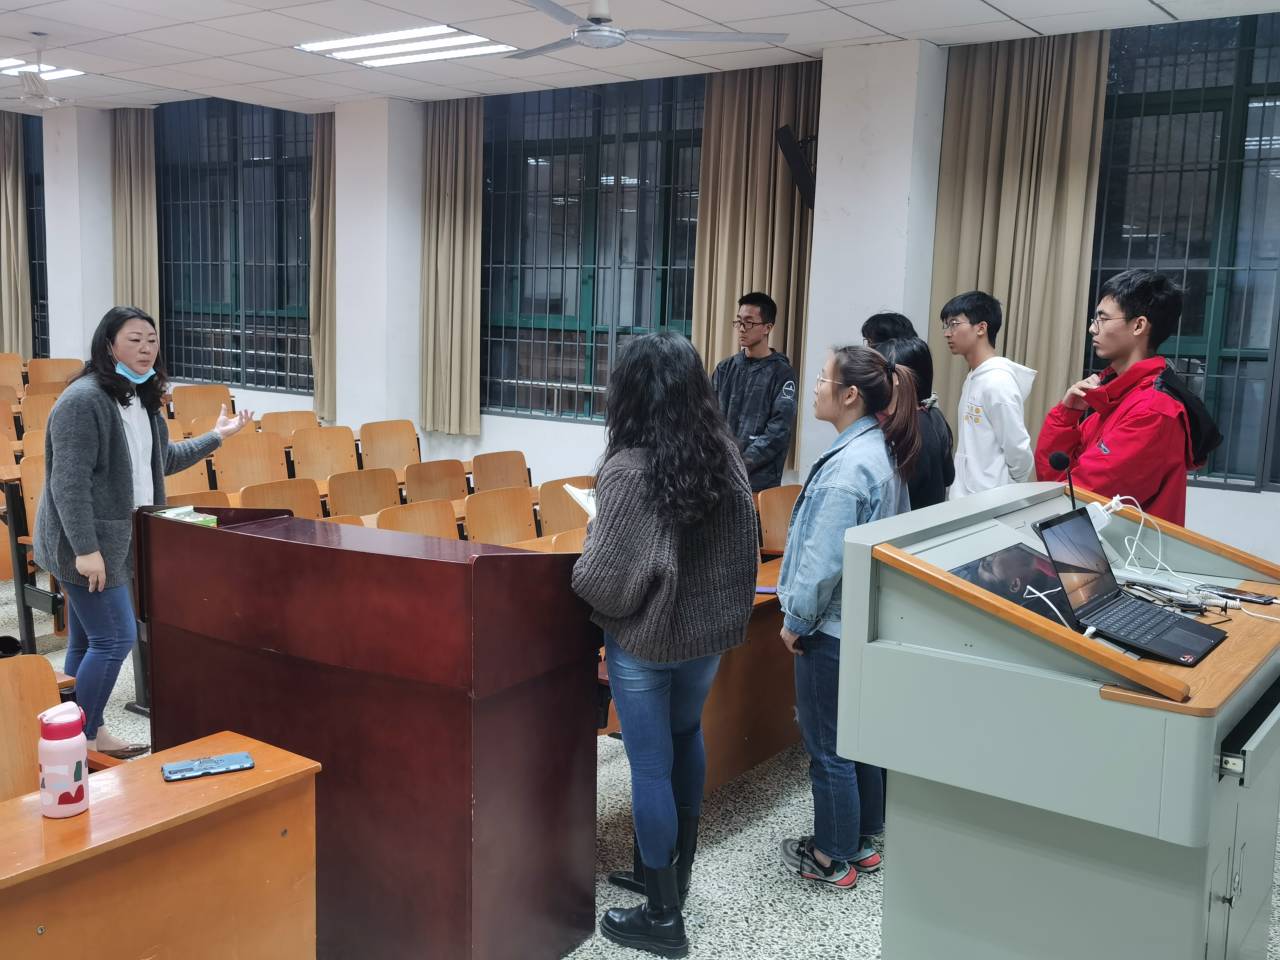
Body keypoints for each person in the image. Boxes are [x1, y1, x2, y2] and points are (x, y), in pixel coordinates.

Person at [571, 332, 758, 959]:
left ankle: (661, 916)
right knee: (686, 735)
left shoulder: (628, 470)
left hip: (648, 641)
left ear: (628, 392)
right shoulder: (724, 453)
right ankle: (674, 877)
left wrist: (594, 538)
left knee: (649, 767)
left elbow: (603, 583)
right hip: (707, 636)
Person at [35, 306, 253, 758]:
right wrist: (86, 550)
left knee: (88, 640)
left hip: (118, 537)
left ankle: (77, 731)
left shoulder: (141, 397)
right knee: (115, 638)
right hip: (85, 544)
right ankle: (85, 736)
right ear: (108, 345)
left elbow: (162, 460)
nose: (146, 348)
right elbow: (67, 484)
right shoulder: (83, 401)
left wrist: (218, 436)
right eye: (134, 339)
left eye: (151, 340)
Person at [776, 345, 920, 889]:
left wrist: (797, 620)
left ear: (850, 394)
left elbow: (822, 561)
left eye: (822, 378)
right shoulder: (880, 450)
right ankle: (862, 840)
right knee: (857, 740)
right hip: (860, 623)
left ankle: (831, 856)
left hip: (830, 628)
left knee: (827, 749)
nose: (815, 387)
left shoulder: (849, 466)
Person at [1036, 271, 1220, 526]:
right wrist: (1066, 415)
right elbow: (1053, 479)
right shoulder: (1117, 397)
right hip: (1086, 541)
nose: (1092, 328)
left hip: (1120, 549)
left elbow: (1077, 500)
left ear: (1138, 326)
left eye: (1102, 319)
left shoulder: (1153, 412)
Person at [941, 291, 1036, 498]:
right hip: (967, 494)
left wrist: (1007, 488)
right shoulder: (974, 376)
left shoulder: (997, 381)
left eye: (954, 324)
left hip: (991, 498)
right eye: (946, 325)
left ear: (981, 328)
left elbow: (1018, 450)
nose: (947, 333)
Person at [711, 292, 799, 492]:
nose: (742, 328)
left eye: (749, 323)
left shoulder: (782, 373)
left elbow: (778, 431)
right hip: (719, 475)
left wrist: (741, 464)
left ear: (768, 327)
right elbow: (707, 415)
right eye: (739, 322)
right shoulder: (725, 368)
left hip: (759, 482)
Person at [877, 335, 954, 508]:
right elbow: (949, 476)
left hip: (908, 522)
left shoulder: (904, 428)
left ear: (897, 379)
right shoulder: (934, 415)